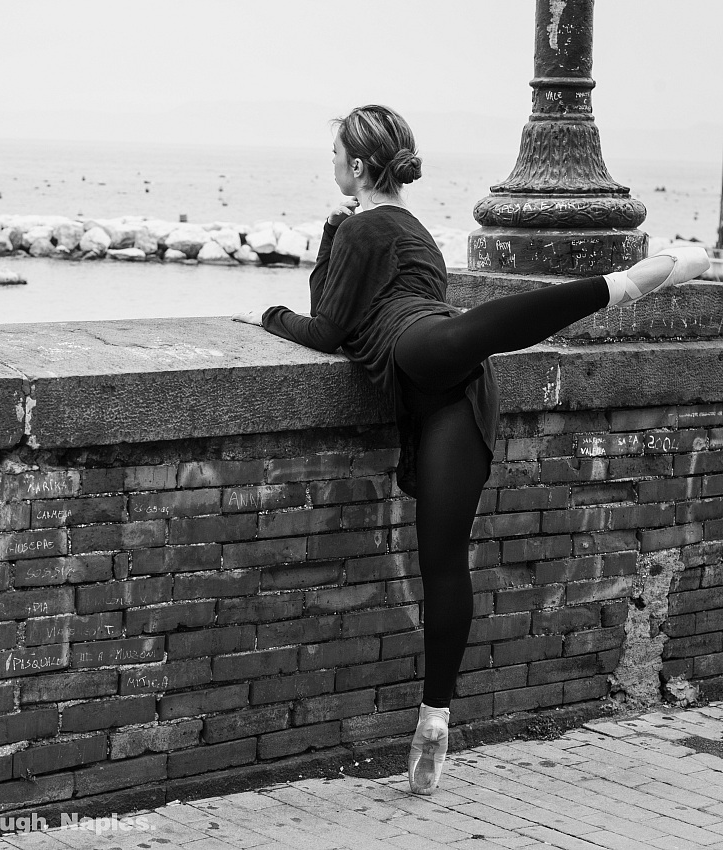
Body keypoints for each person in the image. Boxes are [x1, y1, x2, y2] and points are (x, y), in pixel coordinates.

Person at [233, 104, 710, 796]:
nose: (331, 164)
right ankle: (433, 720)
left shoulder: (365, 225)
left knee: (461, 338)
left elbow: (329, 327)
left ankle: (626, 283)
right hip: (457, 395)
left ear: (359, 167)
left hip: (420, 349)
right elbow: (355, 300)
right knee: (444, 561)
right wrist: (333, 242)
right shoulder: (408, 227)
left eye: (337, 155)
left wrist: (268, 316)